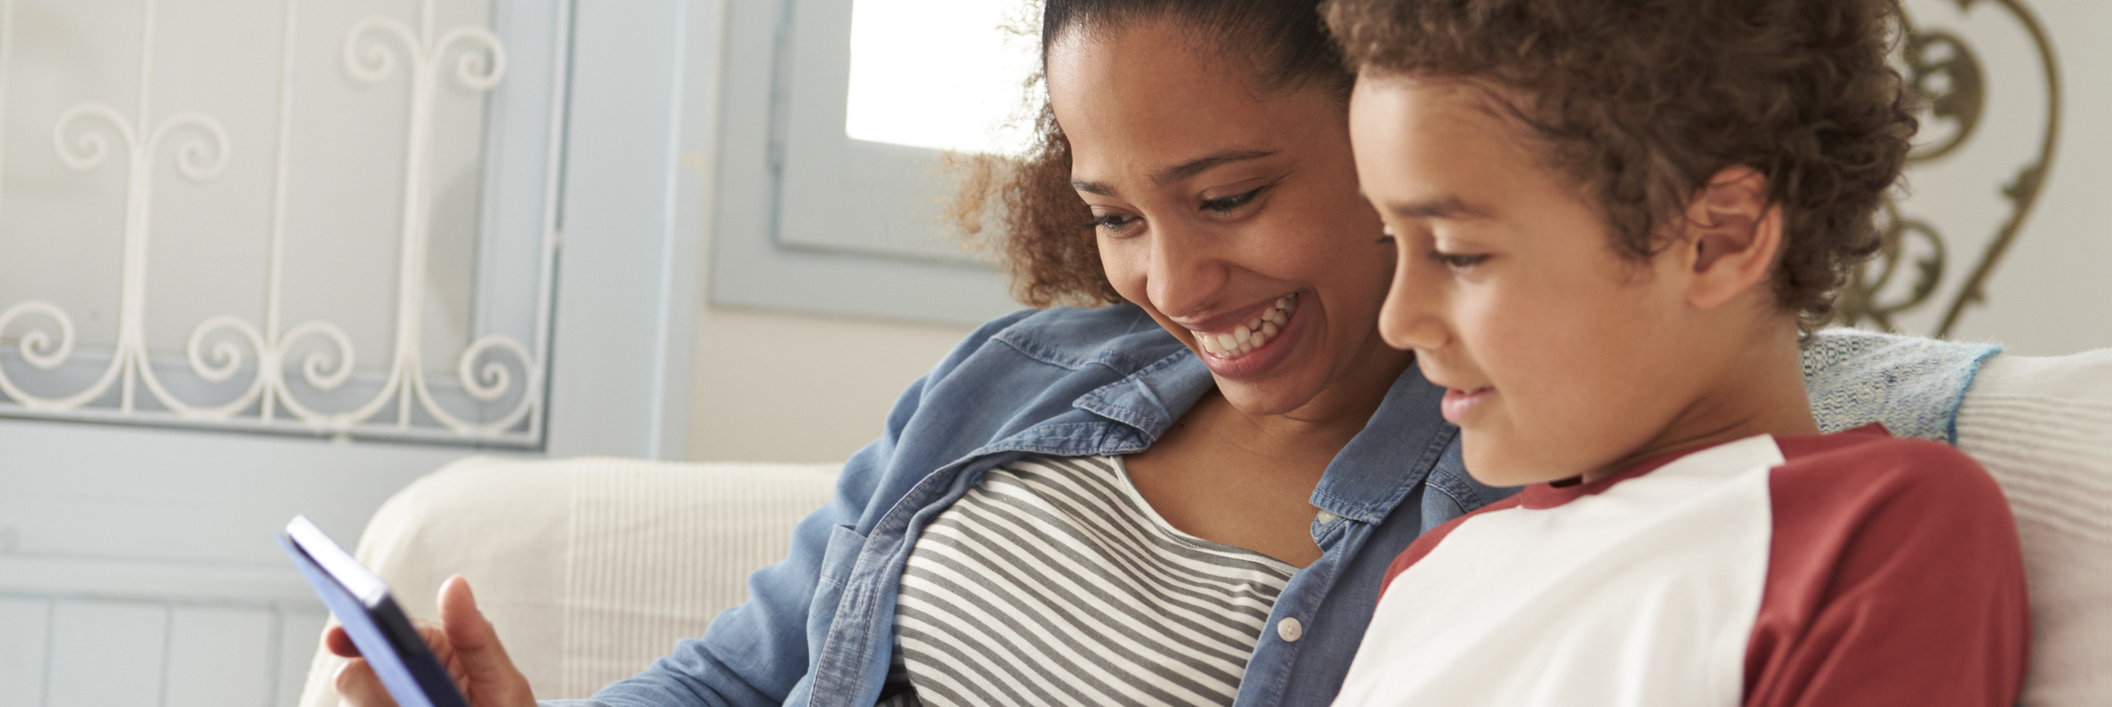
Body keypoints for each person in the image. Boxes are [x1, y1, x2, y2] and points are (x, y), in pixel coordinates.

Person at [329, 1, 1510, 706]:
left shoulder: (1482, 507)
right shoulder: (1015, 379)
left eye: (1230, 196)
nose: (1174, 281)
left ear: (1391, 133)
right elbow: (741, 678)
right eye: (1116, 216)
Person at [1324, 0, 2030, 704]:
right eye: (1391, 239)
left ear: (1716, 241)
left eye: (1458, 253)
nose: (1398, 318)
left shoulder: (1872, 527)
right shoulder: (1434, 570)